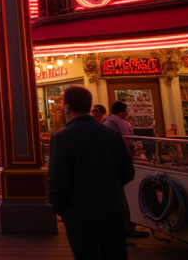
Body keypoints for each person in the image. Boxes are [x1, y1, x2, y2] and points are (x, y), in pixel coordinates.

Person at [47, 87, 136, 259]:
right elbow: (128, 171)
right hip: (113, 210)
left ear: (66, 108)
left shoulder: (62, 138)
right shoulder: (111, 134)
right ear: (89, 107)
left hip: (80, 213)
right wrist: (112, 189)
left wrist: (61, 209)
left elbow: (57, 181)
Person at [102, 101, 147, 238]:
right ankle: (128, 225)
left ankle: (123, 225)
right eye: (126, 110)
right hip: (125, 161)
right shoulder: (124, 124)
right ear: (122, 111)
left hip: (114, 162)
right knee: (126, 194)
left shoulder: (107, 123)